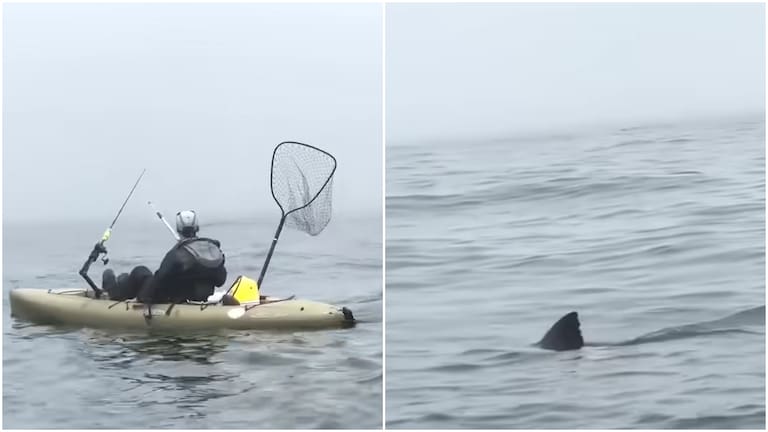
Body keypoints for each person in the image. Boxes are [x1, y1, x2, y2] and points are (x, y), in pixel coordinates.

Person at [102, 210, 228, 304]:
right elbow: (221, 280)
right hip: (198, 298)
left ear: (178, 229)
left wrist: (143, 298)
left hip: (172, 299)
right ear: (197, 227)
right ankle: (123, 281)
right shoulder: (212, 252)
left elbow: (159, 279)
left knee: (139, 271)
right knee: (131, 277)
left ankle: (113, 292)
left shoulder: (177, 254)